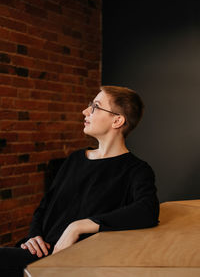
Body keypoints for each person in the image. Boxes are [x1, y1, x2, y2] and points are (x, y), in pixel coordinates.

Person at [0, 85, 159, 276]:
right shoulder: (75, 159)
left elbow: (148, 209)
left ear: (117, 120)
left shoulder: (136, 170)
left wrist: (77, 226)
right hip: (39, 252)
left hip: (75, 261)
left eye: (95, 107)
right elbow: (45, 205)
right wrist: (34, 236)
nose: (85, 111)